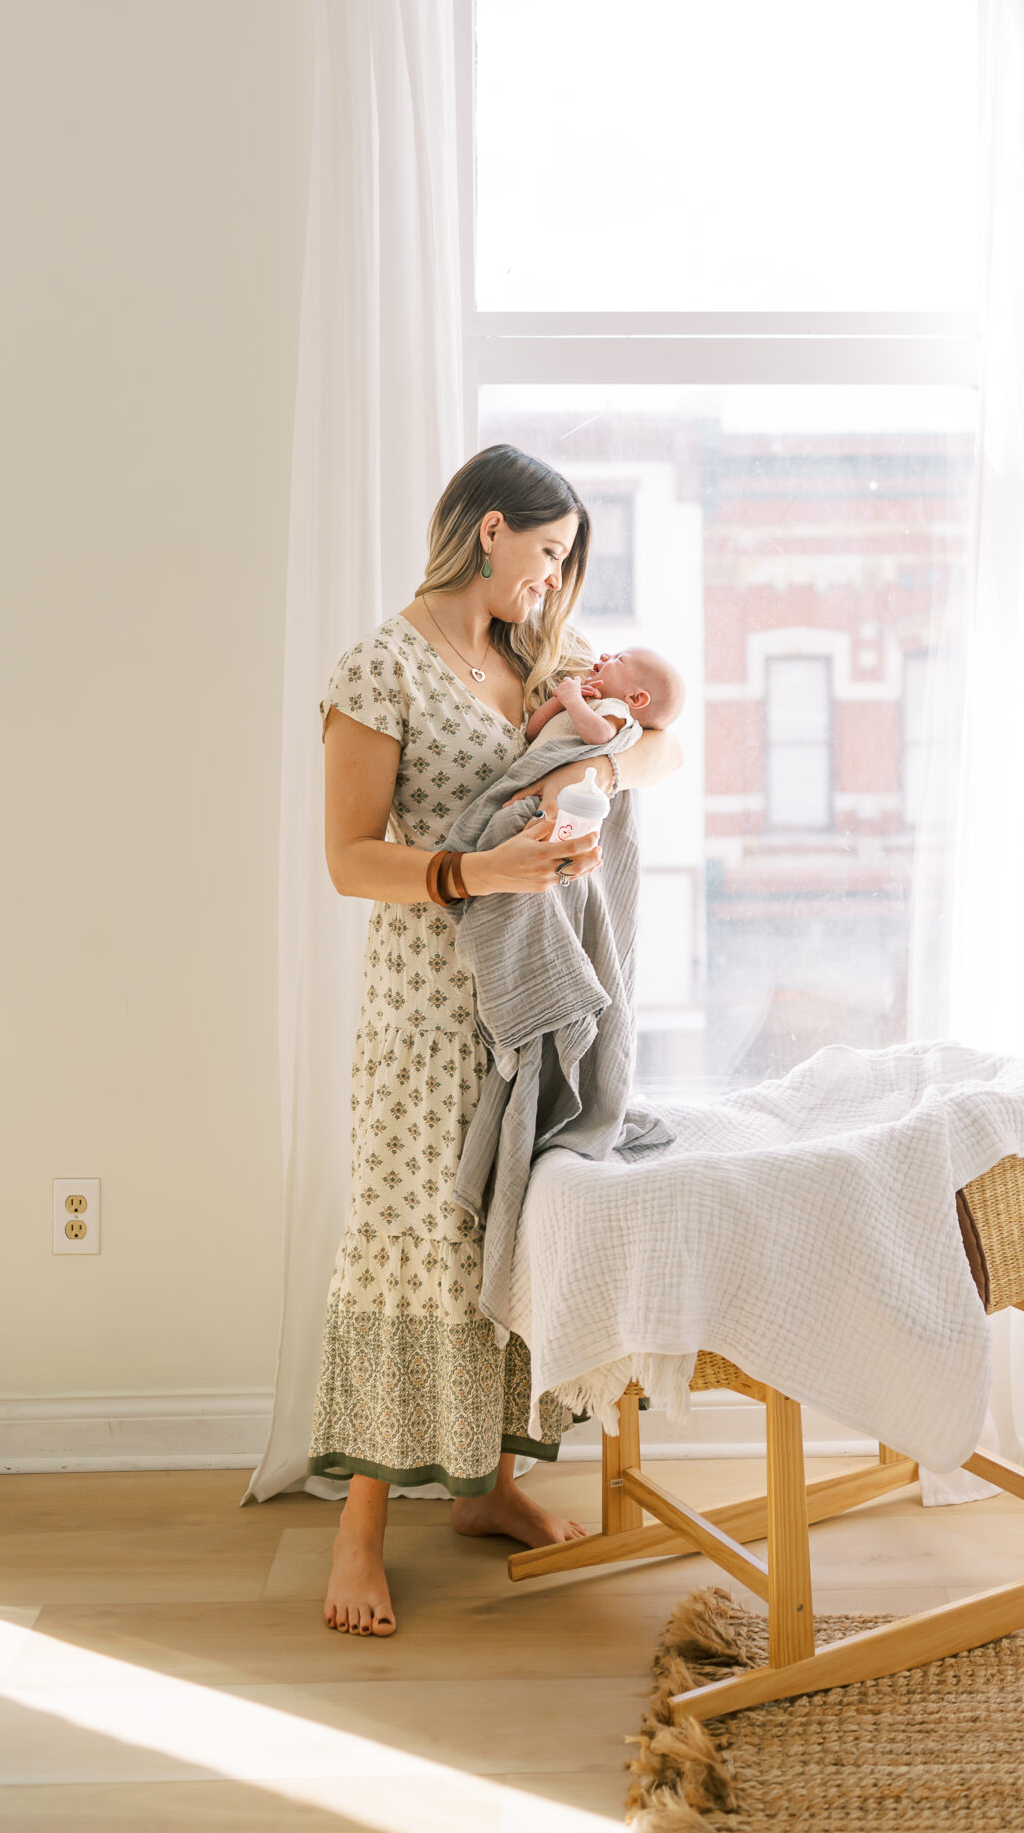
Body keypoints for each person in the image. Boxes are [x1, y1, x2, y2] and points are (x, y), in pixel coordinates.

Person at [310, 444, 683, 1637]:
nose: (557, 577)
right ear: (489, 531)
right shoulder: (381, 668)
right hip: (429, 1013)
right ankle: (358, 1527)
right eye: (551, 550)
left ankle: (492, 1485)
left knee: (506, 1243)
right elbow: (348, 860)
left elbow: (658, 744)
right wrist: (486, 865)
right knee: (415, 1243)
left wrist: (596, 769)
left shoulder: (537, 657)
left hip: (527, 1004)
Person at [521, 645, 685, 747]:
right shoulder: (584, 703)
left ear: (635, 699)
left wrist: (573, 702)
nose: (605, 655)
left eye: (618, 659)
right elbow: (532, 733)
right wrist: (559, 701)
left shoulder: (616, 712)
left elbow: (601, 735)